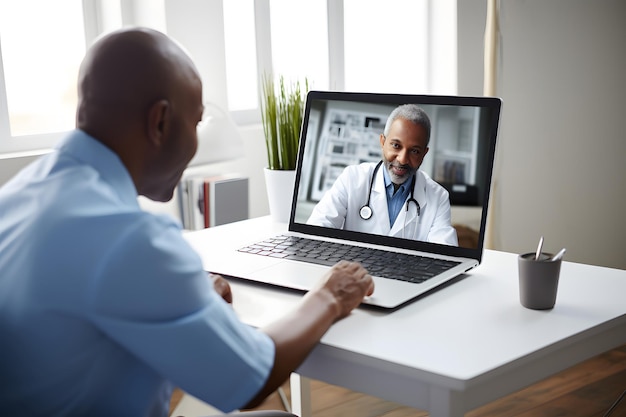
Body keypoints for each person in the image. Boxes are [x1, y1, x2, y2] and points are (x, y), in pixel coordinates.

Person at [0, 28, 374, 417]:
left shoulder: (18, 195)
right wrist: (330, 296)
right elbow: (249, 378)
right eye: (196, 123)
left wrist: (179, 298)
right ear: (160, 122)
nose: (196, 141)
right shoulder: (129, 237)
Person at [307, 104, 458, 245]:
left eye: (414, 151)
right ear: (382, 142)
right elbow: (315, 232)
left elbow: (445, 255)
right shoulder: (352, 178)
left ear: (424, 154)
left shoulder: (438, 197)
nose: (402, 159)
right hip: (354, 271)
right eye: (396, 146)